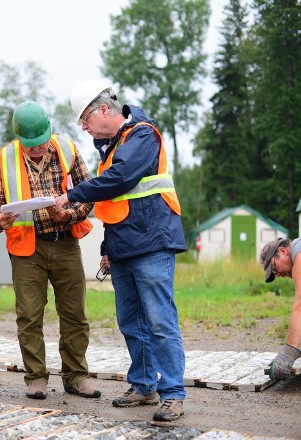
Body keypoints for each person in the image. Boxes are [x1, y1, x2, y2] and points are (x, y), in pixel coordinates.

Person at [54, 80, 187, 422]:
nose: (82, 127)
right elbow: (116, 205)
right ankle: (144, 385)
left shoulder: (142, 135)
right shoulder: (112, 147)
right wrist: (106, 247)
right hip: (124, 246)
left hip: (152, 242)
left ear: (102, 110)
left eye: (84, 119)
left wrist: (74, 194)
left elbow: (122, 179)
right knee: (131, 322)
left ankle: (173, 394)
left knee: (159, 320)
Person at [0, 101, 100, 400]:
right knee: (29, 316)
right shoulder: (2, 159)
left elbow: (90, 193)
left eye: (40, 143)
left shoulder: (68, 150)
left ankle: (76, 376)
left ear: (48, 131)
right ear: (18, 136)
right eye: (30, 145)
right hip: (26, 250)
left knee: (74, 315)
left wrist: (71, 214)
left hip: (65, 244)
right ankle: (36, 378)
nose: (36, 149)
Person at [260, 237, 301, 380]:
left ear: (283, 251)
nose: (277, 275)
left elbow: (299, 306)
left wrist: (288, 355)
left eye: (274, 268)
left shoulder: (298, 251)